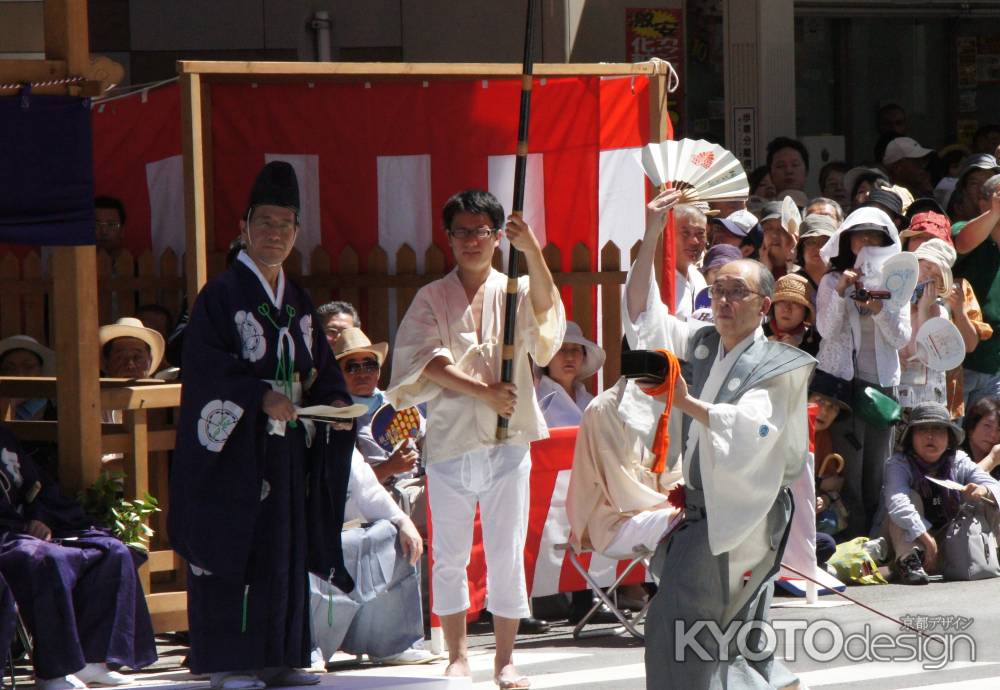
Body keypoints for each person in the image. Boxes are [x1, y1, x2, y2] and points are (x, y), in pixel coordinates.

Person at [168, 161, 358, 690]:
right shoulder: (220, 295)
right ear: (244, 226)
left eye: (285, 224)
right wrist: (258, 396)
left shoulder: (297, 300)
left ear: (297, 233)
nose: (275, 233)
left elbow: (320, 367)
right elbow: (205, 369)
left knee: (284, 545)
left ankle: (281, 657)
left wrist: (336, 403)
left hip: (287, 447)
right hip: (235, 449)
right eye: (265, 222)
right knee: (235, 542)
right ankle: (229, 663)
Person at [624, 188, 814, 689]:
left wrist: (686, 402)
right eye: (718, 290)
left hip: (742, 515)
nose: (723, 301)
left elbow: (752, 428)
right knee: (715, 632)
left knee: (685, 626)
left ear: (765, 305)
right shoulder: (705, 343)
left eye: (736, 292)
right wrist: (652, 232)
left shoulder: (776, 363)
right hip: (709, 512)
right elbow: (644, 314)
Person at [386, 189, 565, 688]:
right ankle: (457, 654)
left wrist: (532, 251)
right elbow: (424, 359)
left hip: (508, 441)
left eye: (481, 231)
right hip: (452, 438)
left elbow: (547, 321)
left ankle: (505, 658)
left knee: (507, 550)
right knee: (451, 553)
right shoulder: (432, 296)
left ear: (496, 236)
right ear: (448, 237)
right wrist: (484, 391)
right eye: (461, 232)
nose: (471, 240)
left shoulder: (514, 289)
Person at [0, 424, 156, 689]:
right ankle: (54, 672)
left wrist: (39, 517)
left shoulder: (3, 436)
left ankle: (92, 660)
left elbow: (37, 486)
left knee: (110, 550)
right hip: (6, 535)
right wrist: (22, 525)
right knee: (47, 560)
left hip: (27, 526)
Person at [815, 207, 911, 536]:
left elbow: (901, 338)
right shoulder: (831, 280)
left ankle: (873, 537)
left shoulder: (895, 283)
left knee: (877, 468)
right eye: (860, 236)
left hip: (881, 386)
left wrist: (878, 307)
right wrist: (842, 291)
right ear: (848, 242)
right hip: (841, 387)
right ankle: (847, 536)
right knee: (847, 468)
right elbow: (826, 330)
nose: (867, 242)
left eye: (874, 237)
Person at [308, 448, 438, 667]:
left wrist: (402, 521)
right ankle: (307, 651)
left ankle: (394, 644)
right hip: (302, 541)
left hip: (342, 533)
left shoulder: (342, 445)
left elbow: (368, 490)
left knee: (394, 534)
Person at [877, 402, 1000, 584]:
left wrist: (983, 490)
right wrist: (926, 538)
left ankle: (992, 553)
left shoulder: (958, 460)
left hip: (947, 539)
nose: (930, 437)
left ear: (949, 437)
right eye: (922, 430)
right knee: (908, 499)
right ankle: (909, 562)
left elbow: (995, 487)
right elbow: (897, 502)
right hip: (906, 540)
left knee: (987, 499)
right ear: (911, 437)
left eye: (938, 430)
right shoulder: (898, 463)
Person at [953, 174, 1000, 408]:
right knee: (954, 428)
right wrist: (994, 213)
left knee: (989, 429)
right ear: (983, 203)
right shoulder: (965, 229)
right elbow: (961, 244)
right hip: (960, 363)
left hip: (995, 367)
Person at [535, 321, 604, 428]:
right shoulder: (535, 401)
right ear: (547, 357)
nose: (570, 357)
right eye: (561, 349)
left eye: (575, 350)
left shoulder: (591, 402)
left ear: (583, 357)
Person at [668, 203, 709, 319]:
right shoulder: (656, 277)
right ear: (668, 233)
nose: (694, 241)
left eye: (700, 234)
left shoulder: (698, 277)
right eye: (685, 233)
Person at [764, 273, 820, 356]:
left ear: (806, 311)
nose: (787, 309)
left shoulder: (815, 342)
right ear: (773, 306)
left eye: (796, 304)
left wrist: (797, 352)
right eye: (782, 302)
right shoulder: (756, 334)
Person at [946, 154, 1000, 223]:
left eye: (989, 181)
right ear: (964, 191)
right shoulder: (959, 226)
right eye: (974, 183)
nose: (982, 189)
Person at [794, 214, 836, 295]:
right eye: (811, 242)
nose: (818, 248)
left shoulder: (842, 280)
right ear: (801, 248)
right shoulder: (790, 283)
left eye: (824, 242)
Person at [964, 396, 1000, 478]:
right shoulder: (955, 456)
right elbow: (965, 482)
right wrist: (992, 459)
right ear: (972, 426)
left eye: (999, 430)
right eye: (987, 426)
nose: (993, 434)